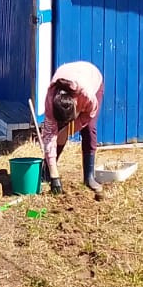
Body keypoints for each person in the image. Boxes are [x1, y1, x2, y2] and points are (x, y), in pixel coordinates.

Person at [40, 61, 104, 194]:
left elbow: (89, 115)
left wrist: (71, 129)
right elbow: (49, 137)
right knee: (57, 132)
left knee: (89, 129)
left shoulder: (87, 95)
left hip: (92, 76)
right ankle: (48, 171)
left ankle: (89, 177)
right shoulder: (51, 102)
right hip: (70, 74)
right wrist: (55, 175)